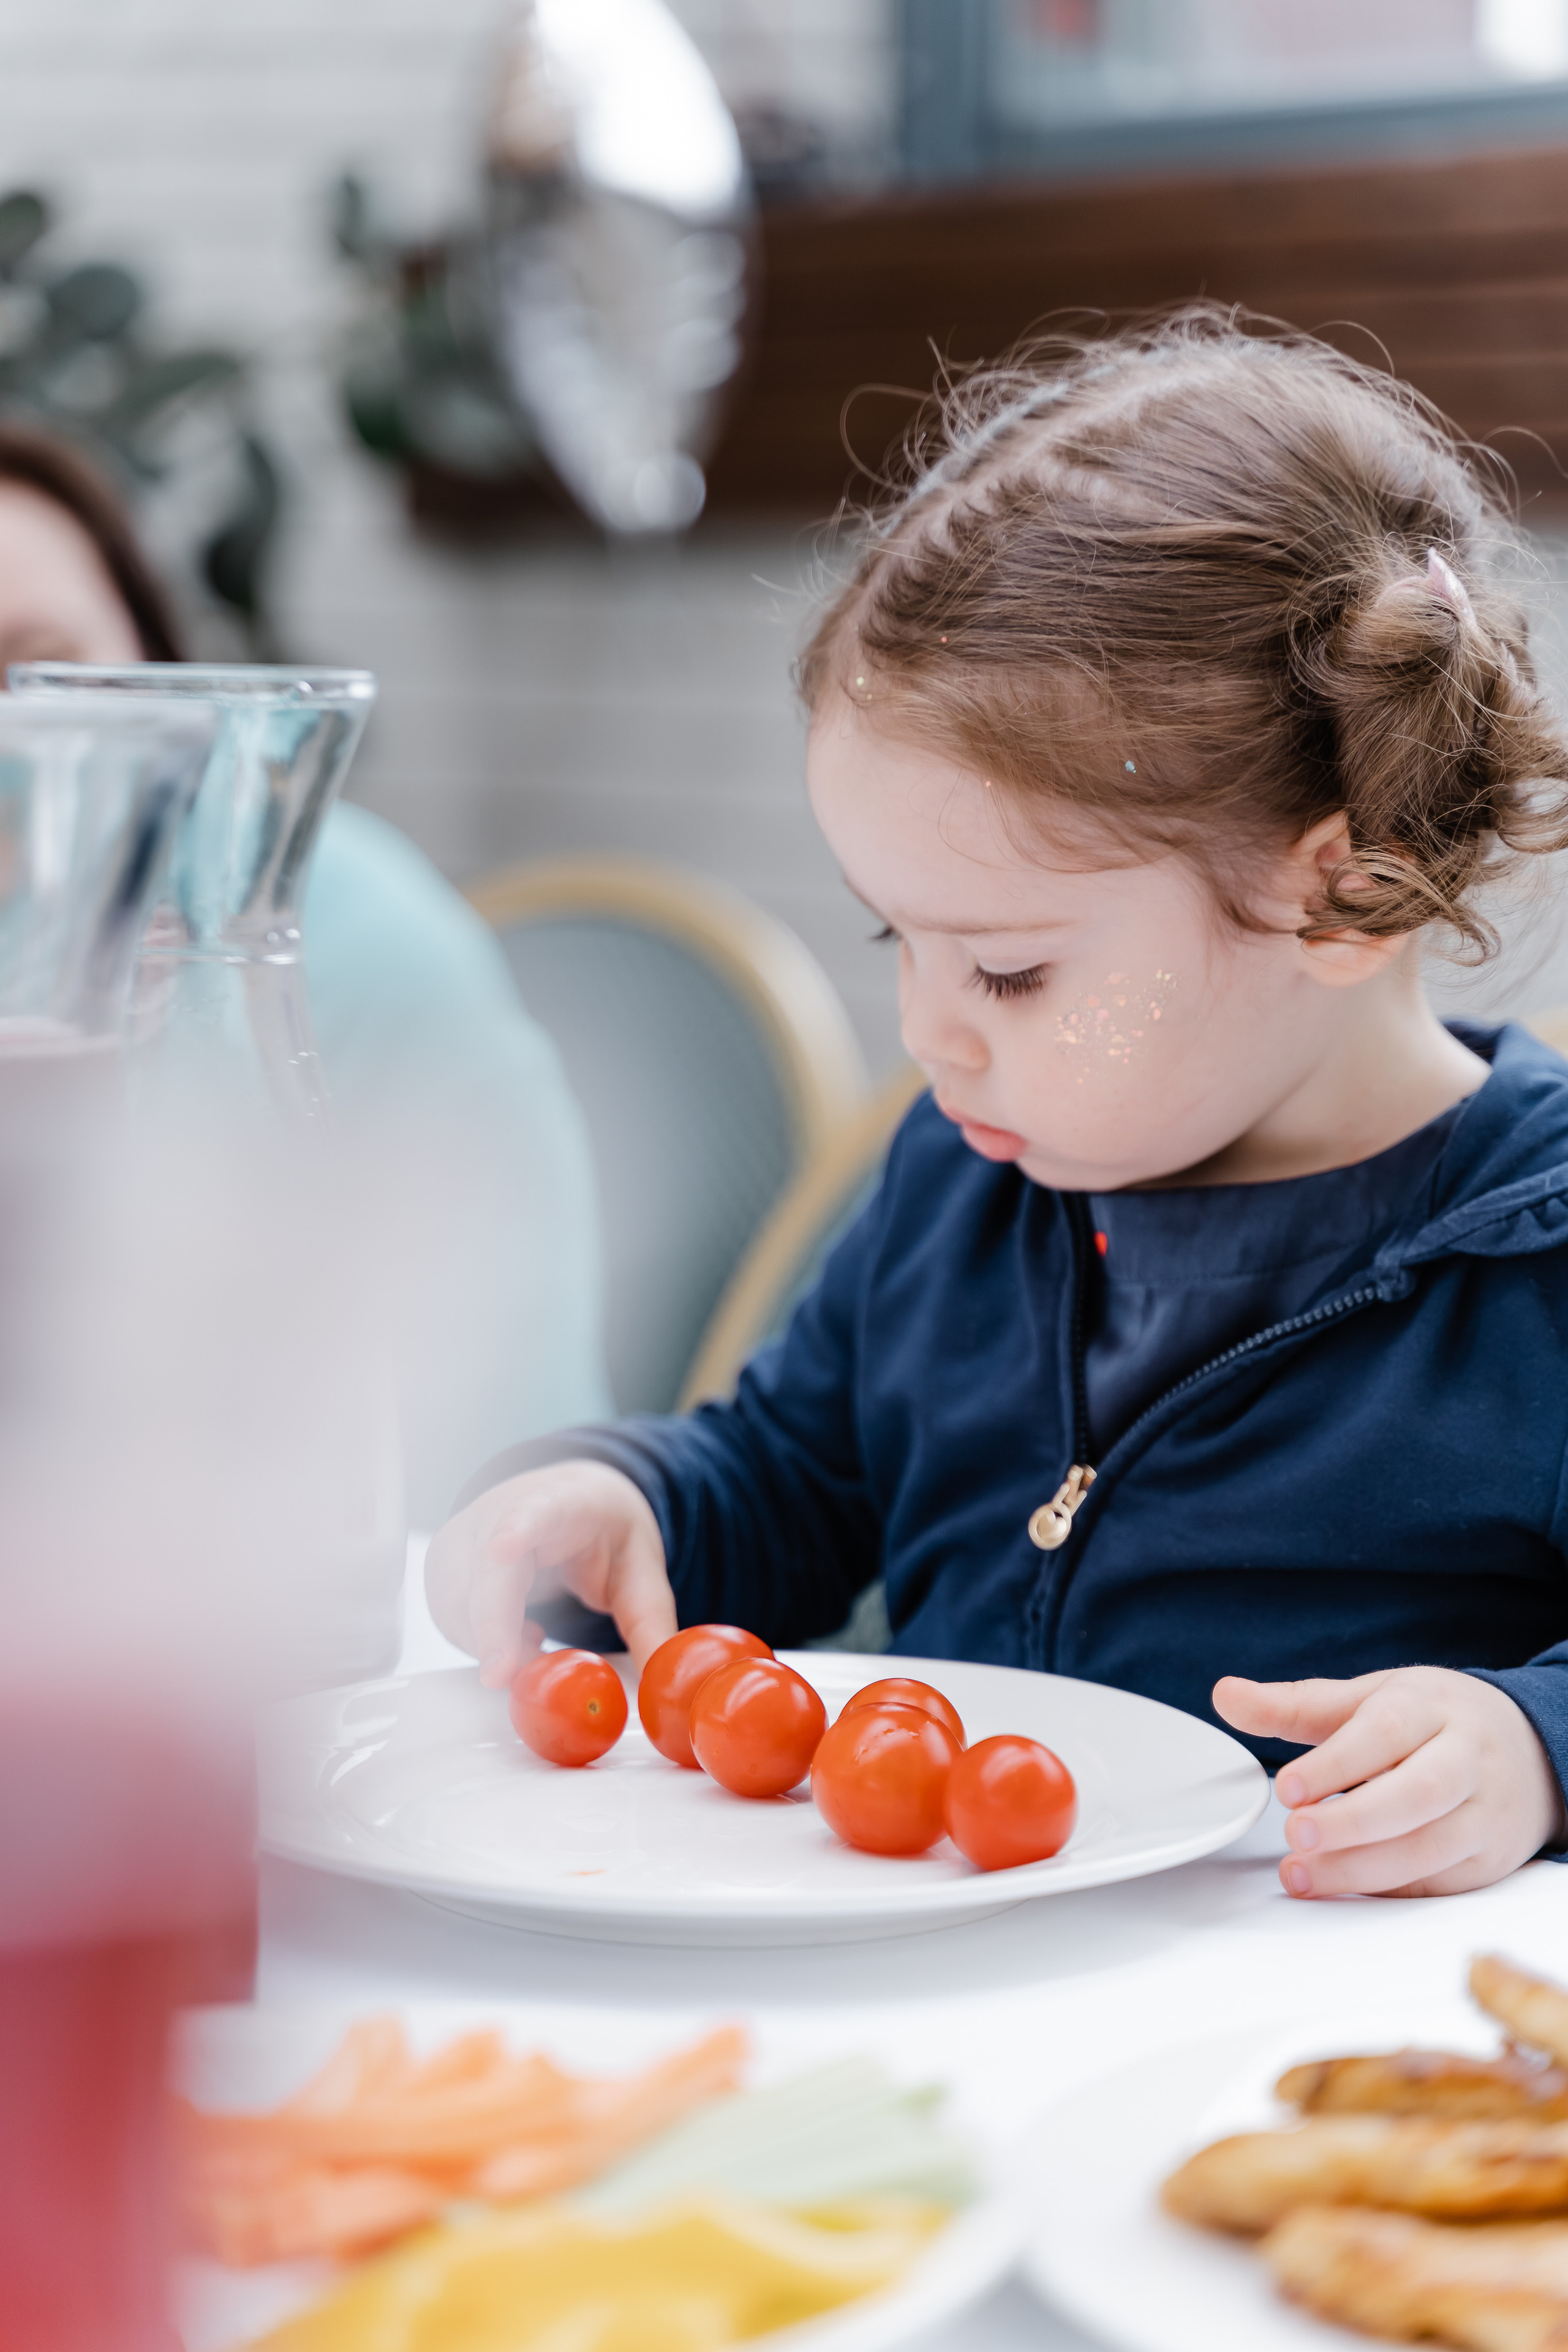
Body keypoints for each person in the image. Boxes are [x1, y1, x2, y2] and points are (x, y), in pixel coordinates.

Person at [429, 308, 1568, 1903]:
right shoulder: (965, 1181)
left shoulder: (1536, 1263)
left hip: (1301, 2057)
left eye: (1011, 972)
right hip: (961, 2005)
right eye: (901, 941)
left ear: (1345, 894)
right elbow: (791, 1474)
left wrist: (1529, 1744)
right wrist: (625, 1500)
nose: (929, 1035)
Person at [0, 418, 612, 1523]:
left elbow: (488, 1449)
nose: (13, 741)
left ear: (158, 673)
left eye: (43, 675)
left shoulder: (330, 941)